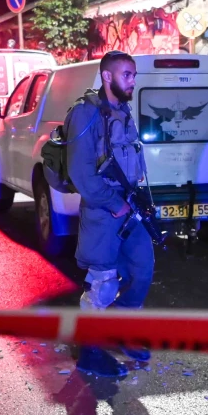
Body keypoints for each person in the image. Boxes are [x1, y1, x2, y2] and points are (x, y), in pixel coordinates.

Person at [67, 50, 153, 378]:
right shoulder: (86, 114)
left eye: (134, 74)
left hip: (130, 206)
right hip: (104, 211)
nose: (133, 80)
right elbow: (81, 173)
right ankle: (90, 352)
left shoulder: (122, 109)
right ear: (107, 76)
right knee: (102, 283)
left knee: (142, 270)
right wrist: (114, 203)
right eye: (127, 74)